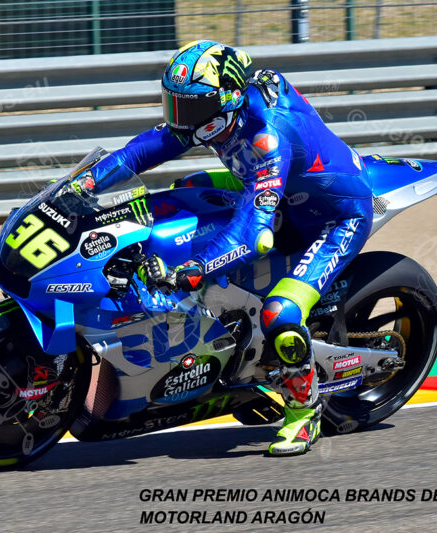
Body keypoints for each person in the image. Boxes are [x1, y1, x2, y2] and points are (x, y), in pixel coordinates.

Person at [75, 40, 373, 456]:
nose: (180, 119)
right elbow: (142, 150)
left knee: (280, 314)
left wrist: (196, 268)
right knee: (186, 192)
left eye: (189, 109)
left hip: (332, 217)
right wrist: (85, 184)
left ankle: (304, 414)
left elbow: (252, 235)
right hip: (276, 189)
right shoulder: (215, 114)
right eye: (174, 104)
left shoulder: (268, 137)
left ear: (229, 99)